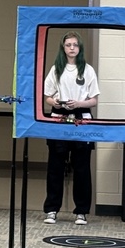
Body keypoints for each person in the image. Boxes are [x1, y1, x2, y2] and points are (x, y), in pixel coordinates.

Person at [41, 30, 100, 225]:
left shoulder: (88, 70)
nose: (72, 48)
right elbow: (47, 96)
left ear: (79, 47)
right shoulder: (56, 69)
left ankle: (81, 211)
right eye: (68, 45)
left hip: (81, 120)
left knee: (82, 167)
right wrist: (55, 102)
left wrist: (79, 104)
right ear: (63, 48)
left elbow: (93, 100)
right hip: (58, 119)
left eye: (75, 45)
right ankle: (51, 209)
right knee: (55, 166)